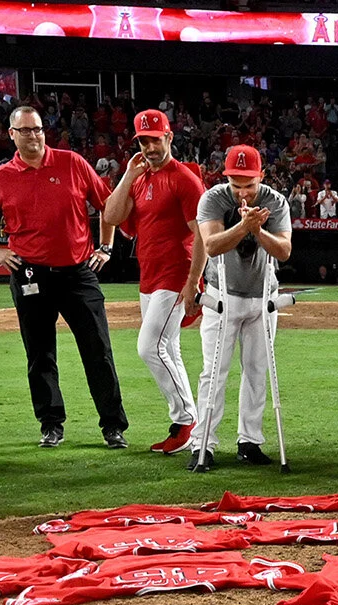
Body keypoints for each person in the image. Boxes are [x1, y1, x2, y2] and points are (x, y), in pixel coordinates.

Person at [0, 104, 128, 450]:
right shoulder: (1, 176)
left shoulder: (72, 163)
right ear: (12, 135)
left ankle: (113, 425)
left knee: (98, 349)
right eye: (25, 130)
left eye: (38, 129)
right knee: (39, 354)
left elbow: (108, 205)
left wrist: (107, 247)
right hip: (29, 273)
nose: (33, 136)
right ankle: (51, 424)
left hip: (78, 272)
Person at [102, 108, 206, 457]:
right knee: (169, 349)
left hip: (176, 274)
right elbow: (111, 216)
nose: (149, 146)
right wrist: (128, 176)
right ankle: (185, 424)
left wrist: (194, 282)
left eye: (154, 139)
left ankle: (187, 420)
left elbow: (202, 236)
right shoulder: (141, 178)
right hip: (149, 275)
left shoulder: (184, 179)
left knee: (149, 347)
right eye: (143, 141)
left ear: (169, 138)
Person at [190, 144, 292, 473]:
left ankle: (249, 441)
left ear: (261, 177)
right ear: (227, 179)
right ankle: (202, 443)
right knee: (213, 373)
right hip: (224, 296)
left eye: (249, 184)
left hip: (262, 297)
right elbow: (212, 245)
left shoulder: (275, 202)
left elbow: (285, 251)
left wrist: (258, 230)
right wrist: (244, 227)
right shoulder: (213, 199)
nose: (242, 192)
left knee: (257, 372)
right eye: (236, 184)